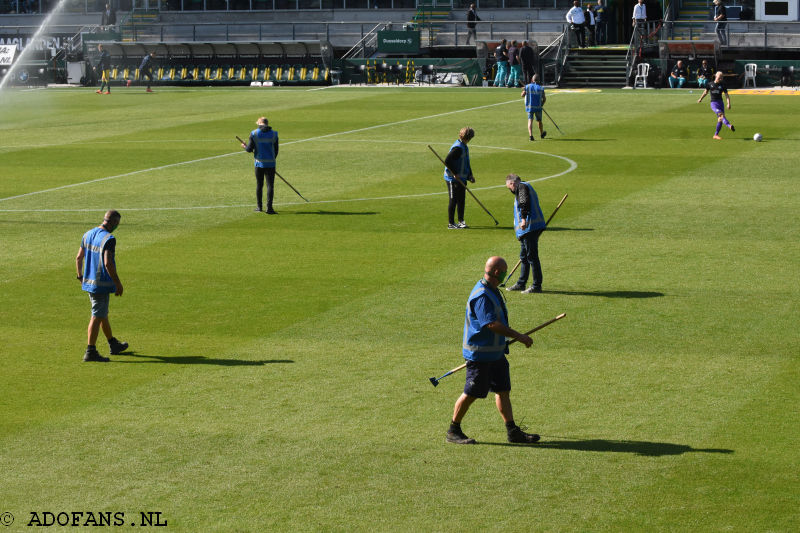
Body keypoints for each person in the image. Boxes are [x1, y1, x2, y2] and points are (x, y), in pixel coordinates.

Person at [445, 256, 541, 445]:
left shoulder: (492, 290)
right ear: (497, 272)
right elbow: (491, 324)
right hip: (480, 355)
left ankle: (512, 431)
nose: (506, 273)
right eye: (504, 270)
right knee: (471, 393)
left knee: (503, 390)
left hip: (495, 353)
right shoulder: (482, 295)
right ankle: (453, 430)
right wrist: (518, 336)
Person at [75, 210, 128, 362]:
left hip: (89, 283)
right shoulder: (109, 239)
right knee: (97, 315)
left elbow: (79, 258)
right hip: (101, 284)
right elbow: (107, 263)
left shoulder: (88, 233)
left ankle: (113, 343)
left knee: (102, 313)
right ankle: (90, 351)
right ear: (113, 223)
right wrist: (118, 283)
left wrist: (80, 277)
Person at [504, 175, 547, 293]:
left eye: (509, 188)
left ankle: (536, 286)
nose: (511, 191)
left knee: (532, 257)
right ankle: (521, 283)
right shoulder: (525, 186)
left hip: (529, 228)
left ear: (512, 184)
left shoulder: (521, 187)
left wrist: (523, 220)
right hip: (529, 229)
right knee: (524, 257)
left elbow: (524, 202)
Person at [242, 117, 279, 213]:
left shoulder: (254, 133)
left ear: (259, 123)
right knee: (270, 185)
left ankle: (259, 207)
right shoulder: (274, 134)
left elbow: (249, 149)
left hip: (259, 163)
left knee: (259, 184)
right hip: (271, 163)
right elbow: (276, 150)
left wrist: (245, 146)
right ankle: (269, 208)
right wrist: (271, 159)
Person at [443, 127, 475, 229]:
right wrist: (455, 173)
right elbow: (447, 161)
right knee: (453, 200)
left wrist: (470, 175)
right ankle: (451, 223)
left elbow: (466, 162)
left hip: (462, 178)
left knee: (461, 199)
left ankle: (461, 221)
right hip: (452, 179)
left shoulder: (464, 146)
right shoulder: (457, 148)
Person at [697, 71, 735, 140]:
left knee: (720, 120)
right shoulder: (710, 84)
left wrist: (728, 103)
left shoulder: (723, 85)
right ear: (716, 76)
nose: (720, 79)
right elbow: (705, 92)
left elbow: (726, 95)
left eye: (722, 78)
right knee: (721, 115)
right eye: (719, 77)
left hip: (721, 103)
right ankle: (729, 125)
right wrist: (700, 98)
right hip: (714, 104)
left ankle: (716, 135)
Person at [521, 74, 547, 141]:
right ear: (539, 80)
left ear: (532, 80)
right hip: (538, 107)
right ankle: (541, 134)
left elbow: (522, 95)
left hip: (530, 107)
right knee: (539, 121)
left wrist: (524, 91)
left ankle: (531, 136)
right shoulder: (541, 88)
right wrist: (541, 105)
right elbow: (544, 99)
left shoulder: (528, 86)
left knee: (530, 121)